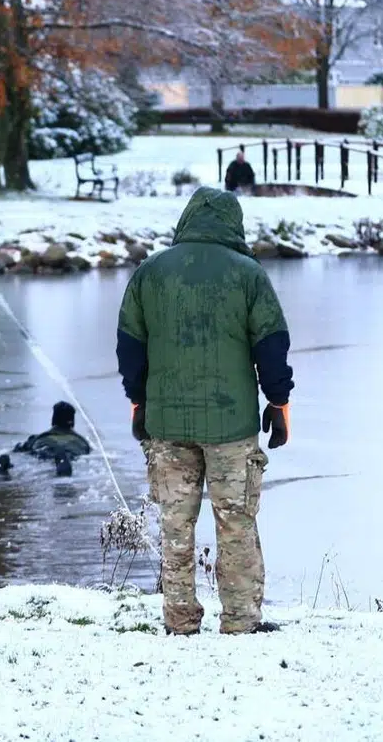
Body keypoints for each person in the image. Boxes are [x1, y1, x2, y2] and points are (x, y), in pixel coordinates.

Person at [116, 186, 294, 636]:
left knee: (175, 528)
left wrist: (138, 400)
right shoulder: (249, 275)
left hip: (167, 423)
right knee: (236, 523)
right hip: (232, 426)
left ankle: (179, 620)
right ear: (234, 224)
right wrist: (278, 401)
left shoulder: (150, 272)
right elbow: (271, 345)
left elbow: (130, 347)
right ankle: (239, 620)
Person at [0, 402, 92, 477]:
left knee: (38, 456)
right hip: (70, 451)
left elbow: (20, 450)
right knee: (67, 458)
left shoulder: (37, 438)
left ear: (53, 420)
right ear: (72, 422)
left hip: (43, 447)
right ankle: (62, 462)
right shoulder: (82, 442)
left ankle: (3, 465)